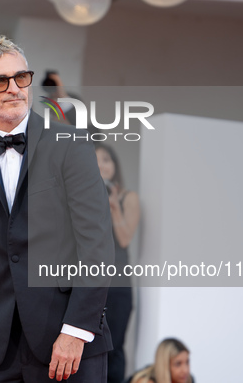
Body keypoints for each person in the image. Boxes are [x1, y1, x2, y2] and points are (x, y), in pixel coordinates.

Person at [0, 36, 114, 383]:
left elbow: (98, 243)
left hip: (68, 341)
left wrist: (77, 329)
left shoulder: (71, 145)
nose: (14, 88)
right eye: (0, 80)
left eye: (21, 77)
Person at [95, 142, 140, 383]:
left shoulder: (127, 197)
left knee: (115, 346)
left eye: (106, 159)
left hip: (118, 284)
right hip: (90, 280)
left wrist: (113, 206)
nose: (101, 164)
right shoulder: (83, 195)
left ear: (114, 165)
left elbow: (124, 239)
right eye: (96, 159)